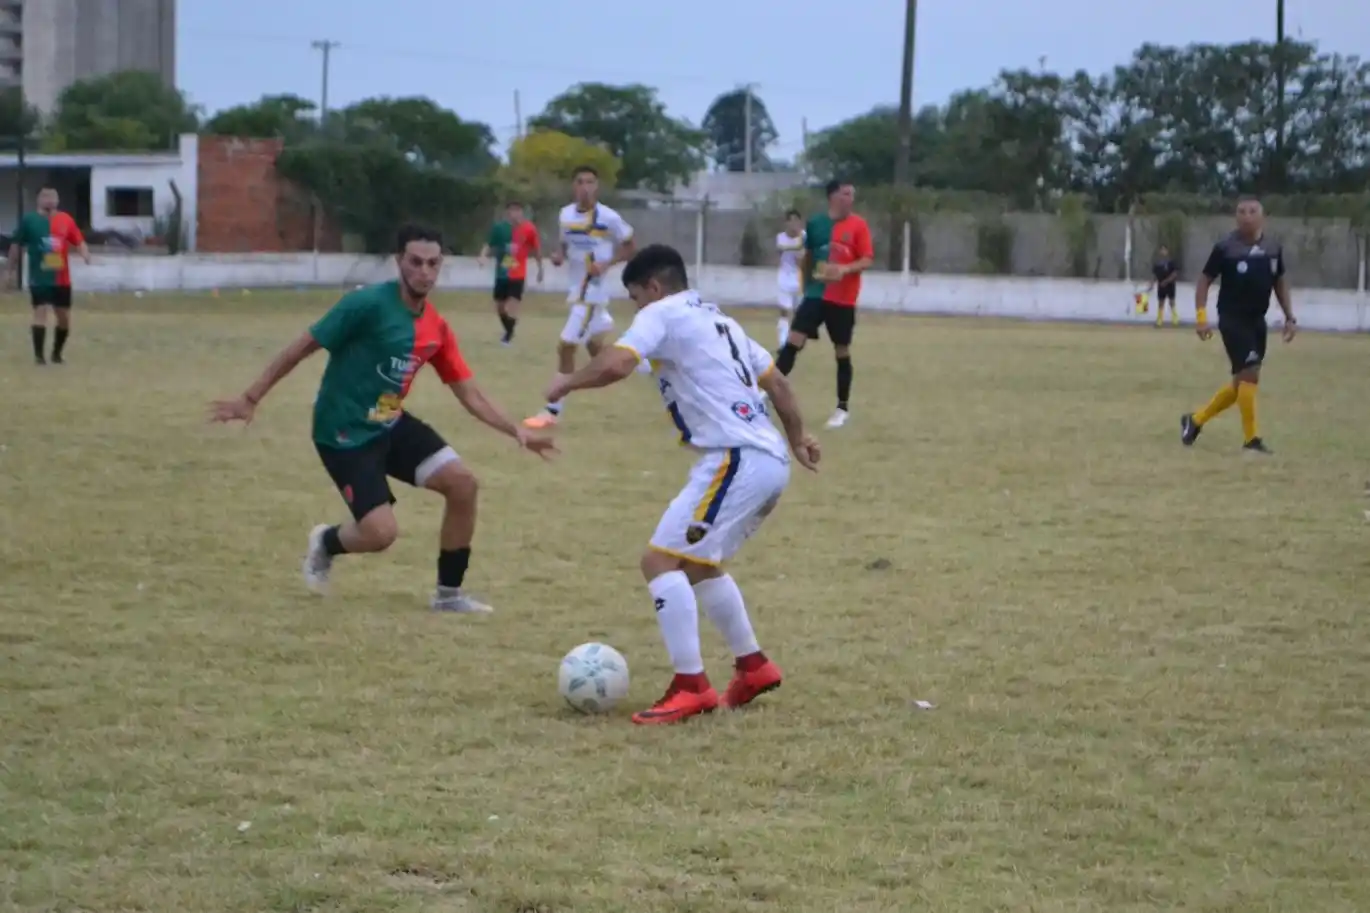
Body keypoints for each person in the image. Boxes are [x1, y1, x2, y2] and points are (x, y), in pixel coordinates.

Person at [209, 224, 556, 611]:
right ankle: (326, 542)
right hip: (343, 433)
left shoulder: (436, 329)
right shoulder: (366, 305)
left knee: (463, 485)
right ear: (398, 261)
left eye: (433, 264)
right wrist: (250, 398)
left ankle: (449, 596)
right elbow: (302, 346)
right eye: (415, 262)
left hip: (389, 422)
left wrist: (515, 431)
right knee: (380, 534)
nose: (424, 272)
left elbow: (470, 394)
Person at [544, 243, 821, 726]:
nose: (637, 309)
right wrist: (797, 439)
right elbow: (778, 384)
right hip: (767, 460)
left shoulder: (663, 313)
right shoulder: (719, 320)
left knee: (659, 561)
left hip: (735, 458)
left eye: (636, 298)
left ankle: (690, 685)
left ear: (653, 287)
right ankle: (753, 665)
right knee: (696, 564)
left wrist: (566, 382)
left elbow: (617, 364)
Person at [524, 165, 637, 429]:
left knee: (566, 345)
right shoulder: (565, 215)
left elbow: (630, 247)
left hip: (591, 293)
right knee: (598, 350)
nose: (585, 187)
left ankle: (552, 410)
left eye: (590, 182)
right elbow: (565, 244)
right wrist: (559, 256)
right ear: (573, 186)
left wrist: (607, 264)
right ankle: (650, 363)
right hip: (577, 289)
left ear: (596, 186)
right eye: (580, 182)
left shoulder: (608, 217)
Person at [1180, 197, 1296, 455]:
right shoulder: (1225, 247)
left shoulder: (1273, 248)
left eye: (1252, 211)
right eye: (1241, 212)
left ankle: (1195, 420)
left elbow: (1279, 282)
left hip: (1257, 320)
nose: (1246, 216)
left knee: (1242, 382)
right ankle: (1251, 440)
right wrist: (1201, 316)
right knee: (1249, 373)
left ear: (1262, 217)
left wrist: (1289, 316)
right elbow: (1204, 281)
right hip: (1232, 319)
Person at [776, 179, 874, 429]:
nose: (850, 199)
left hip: (843, 299)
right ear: (833, 197)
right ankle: (767, 392)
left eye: (852, 194)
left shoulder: (859, 225)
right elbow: (808, 257)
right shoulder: (817, 224)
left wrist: (844, 269)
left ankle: (842, 408)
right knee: (793, 341)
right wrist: (807, 284)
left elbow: (866, 259)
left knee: (841, 351)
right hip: (815, 295)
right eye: (846, 194)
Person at [7, 187, 91, 365]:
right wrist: (10, 269)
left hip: (61, 279)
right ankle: (39, 357)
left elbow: (78, 240)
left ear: (58, 200)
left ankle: (56, 354)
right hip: (39, 277)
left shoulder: (65, 219)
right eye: (45, 196)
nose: (49, 199)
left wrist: (85, 254)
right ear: (38, 199)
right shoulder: (29, 220)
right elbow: (16, 245)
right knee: (40, 311)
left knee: (64, 318)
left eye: (53, 196)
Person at [477, 201, 543, 346]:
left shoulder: (529, 229)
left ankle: (507, 337)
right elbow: (488, 244)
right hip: (502, 273)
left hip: (518, 273)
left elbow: (537, 250)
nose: (515, 214)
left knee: (513, 304)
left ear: (522, 212)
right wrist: (483, 256)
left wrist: (540, 269)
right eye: (512, 211)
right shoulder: (499, 228)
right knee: (500, 306)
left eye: (518, 210)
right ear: (507, 213)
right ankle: (509, 330)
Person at [774, 209, 806, 347]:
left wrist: (800, 245)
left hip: (799, 277)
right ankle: (782, 343)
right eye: (791, 221)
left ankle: (796, 341)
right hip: (784, 277)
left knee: (800, 312)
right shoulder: (780, 237)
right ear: (786, 223)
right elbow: (781, 250)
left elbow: (801, 260)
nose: (793, 224)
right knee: (784, 311)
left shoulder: (804, 236)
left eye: (796, 221)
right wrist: (798, 246)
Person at [1148, 245, 1180, 327]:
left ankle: (1175, 320)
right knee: (1161, 302)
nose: (1163, 252)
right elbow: (1154, 275)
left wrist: (1166, 281)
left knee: (1171, 302)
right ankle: (1159, 321)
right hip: (1161, 285)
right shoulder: (1157, 263)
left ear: (1167, 251)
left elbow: (1175, 273)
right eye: (1161, 250)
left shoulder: (1171, 262)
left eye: (1164, 250)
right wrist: (1152, 283)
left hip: (1170, 285)